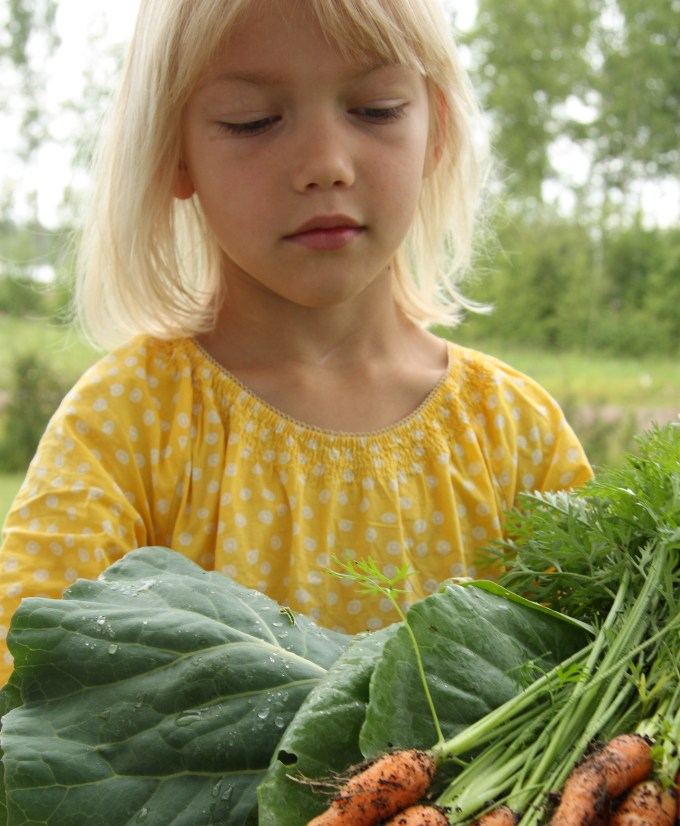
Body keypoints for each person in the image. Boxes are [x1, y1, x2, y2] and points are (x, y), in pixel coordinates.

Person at [0, 0, 592, 687]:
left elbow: (603, 686)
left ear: (438, 131)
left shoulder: (515, 434)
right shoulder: (126, 427)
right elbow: (27, 685)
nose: (326, 164)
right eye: (252, 121)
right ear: (174, 150)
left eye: (375, 110)